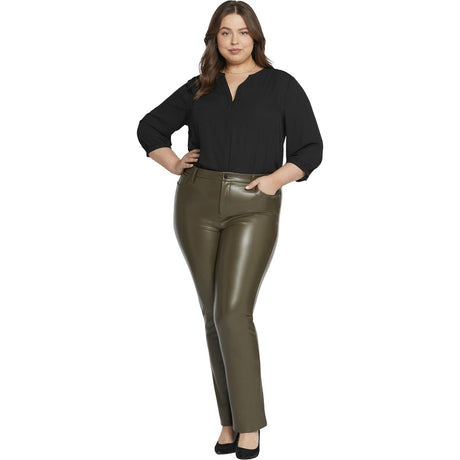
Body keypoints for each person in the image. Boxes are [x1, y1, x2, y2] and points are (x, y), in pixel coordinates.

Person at [136, 1, 323, 458]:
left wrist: (275, 181)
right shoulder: (201, 87)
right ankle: (228, 421)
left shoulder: (281, 85)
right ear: (214, 39)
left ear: (255, 36)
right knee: (212, 315)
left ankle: (250, 424)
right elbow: (150, 127)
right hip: (196, 202)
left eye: (242, 31)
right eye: (225, 32)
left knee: (232, 313)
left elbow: (310, 148)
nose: (234, 40)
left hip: (253, 205)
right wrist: (173, 163)